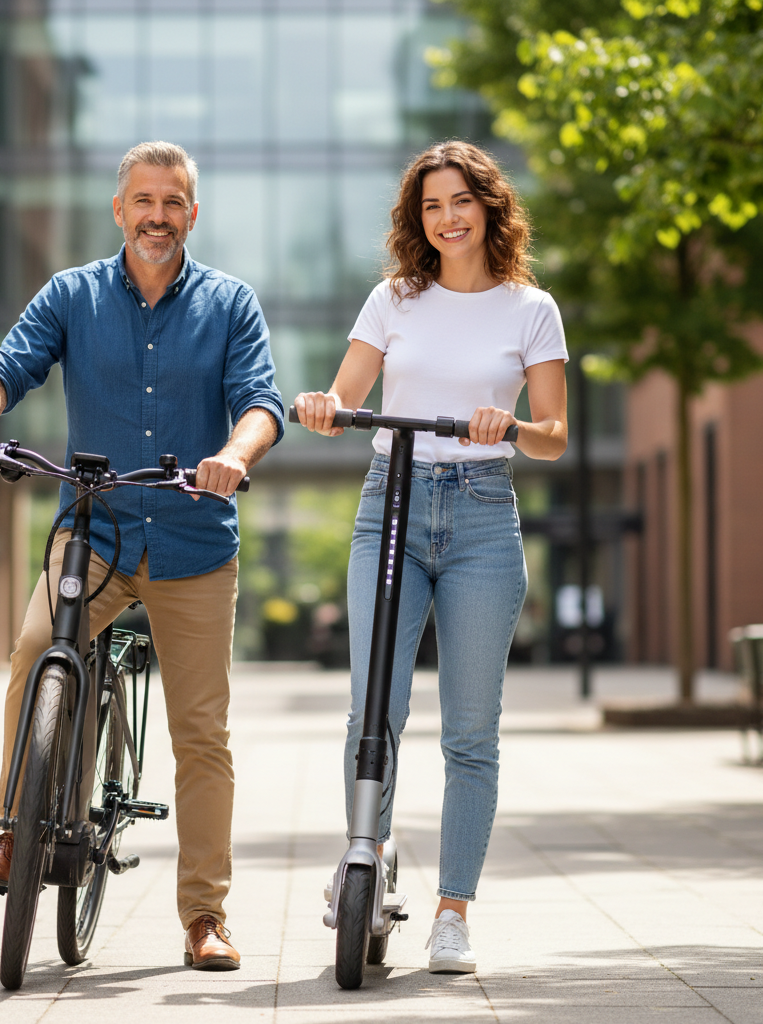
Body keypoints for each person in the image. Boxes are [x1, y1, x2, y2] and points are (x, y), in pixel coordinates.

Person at [0, 140, 284, 971]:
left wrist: (234, 454)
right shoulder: (73, 294)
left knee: (200, 732)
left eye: (172, 203)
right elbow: (4, 365)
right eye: (143, 201)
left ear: (191, 213)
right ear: (120, 209)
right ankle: (14, 831)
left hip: (194, 542)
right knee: (36, 649)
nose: (157, 217)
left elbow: (261, 402)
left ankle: (205, 916)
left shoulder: (230, 303)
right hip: (93, 533)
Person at [294, 140, 568, 974]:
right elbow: (346, 395)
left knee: (470, 732)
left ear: (490, 208)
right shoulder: (394, 299)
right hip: (393, 506)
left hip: (483, 516)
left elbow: (555, 435)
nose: (447, 219)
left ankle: (452, 911)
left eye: (460, 202)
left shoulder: (531, 308)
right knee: (372, 708)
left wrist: (510, 424)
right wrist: (322, 407)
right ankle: (364, 857)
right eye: (431, 206)